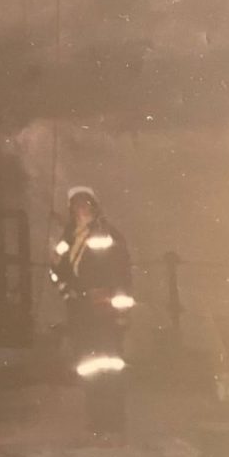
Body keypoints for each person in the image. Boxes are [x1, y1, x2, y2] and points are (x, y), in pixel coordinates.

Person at [50, 186, 132, 435]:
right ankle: (97, 421)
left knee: (110, 366)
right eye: (76, 205)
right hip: (80, 311)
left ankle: (114, 423)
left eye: (86, 204)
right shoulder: (68, 238)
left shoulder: (107, 234)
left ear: (94, 207)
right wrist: (67, 292)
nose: (81, 209)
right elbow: (55, 269)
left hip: (104, 310)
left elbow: (121, 273)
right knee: (88, 365)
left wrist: (120, 312)